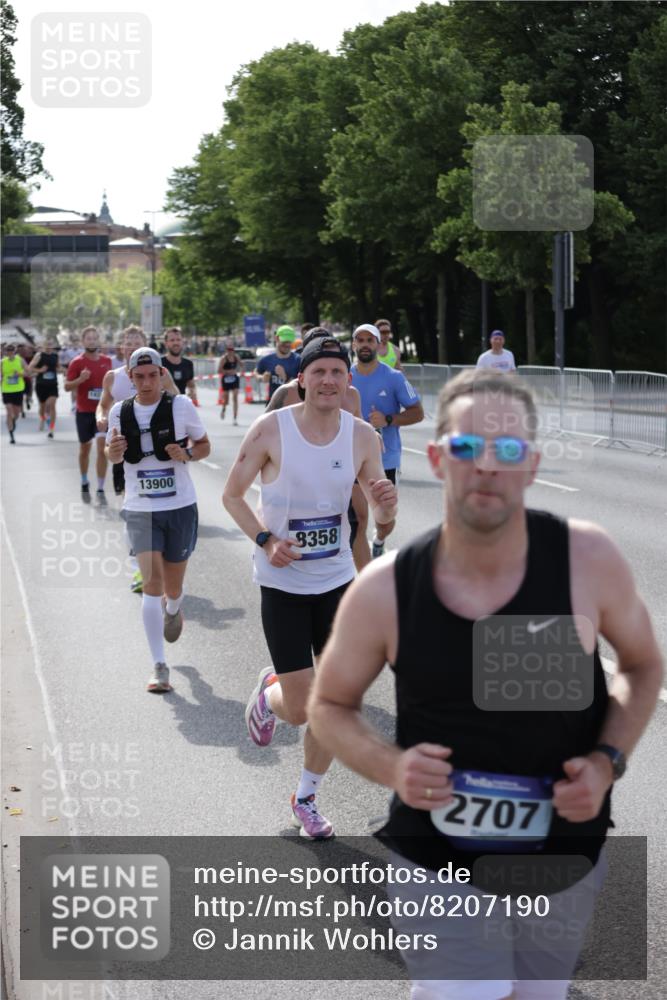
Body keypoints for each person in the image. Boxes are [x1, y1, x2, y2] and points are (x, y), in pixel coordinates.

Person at [310, 367, 664, 1000]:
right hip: (437, 855)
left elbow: (641, 666)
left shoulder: (587, 560)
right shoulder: (387, 589)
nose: (488, 468)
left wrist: (607, 762)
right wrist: (394, 768)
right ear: (440, 458)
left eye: (507, 452)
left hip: (563, 850)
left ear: (530, 465)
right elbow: (330, 705)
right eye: (469, 449)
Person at [223, 336, 397, 838]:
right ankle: (272, 690)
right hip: (282, 583)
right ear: (301, 379)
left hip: (338, 581)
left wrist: (387, 503)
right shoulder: (270, 430)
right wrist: (264, 538)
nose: (328, 380)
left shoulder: (363, 436)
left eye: (336, 373)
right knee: (301, 708)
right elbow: (232, 495)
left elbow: (379, 517)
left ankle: (305, 798)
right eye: (318, 371)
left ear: (347, 381)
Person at [106, 347, 211, 693]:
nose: (147, 382)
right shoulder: (120, 412)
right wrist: (114, 453)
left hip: (179, 505)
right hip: (140, 507)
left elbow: (205, 444)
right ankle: (159, 665)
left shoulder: (180, 407)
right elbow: (111, 451)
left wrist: (188, 453)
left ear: (162, 374)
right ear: (130, 376)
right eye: (139, 377)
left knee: (172, 587)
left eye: (153, 375)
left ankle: (174, 606)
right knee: (151, 585)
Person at [266, 328, 369, 573]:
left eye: (336, 366)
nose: (329, 377)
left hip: (344, 470)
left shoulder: (351, 394)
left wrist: (373, 436)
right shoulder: (288, 393)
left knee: (359, 523)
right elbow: (264, 437)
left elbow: (360, 426)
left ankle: (362, 589)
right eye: (320, 365)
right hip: (300, 477)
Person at [96, 326, 178, 594]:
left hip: (157, 454)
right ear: (122, 348)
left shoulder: (156, 373)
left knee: (159, 513)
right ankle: (140, 570)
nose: (133, 346)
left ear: (146, 345)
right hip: (126, 452)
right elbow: (104, 403)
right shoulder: (113, 376)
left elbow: (177, 399)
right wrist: (100, 416)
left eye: (137, 342)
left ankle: (159, 565)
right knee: (131, 512)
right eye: (129, 342)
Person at [351, 323, 424, 562]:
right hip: (350, 459)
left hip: (386, 459)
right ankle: (359, 575)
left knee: (384, 517)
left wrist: (389, 418)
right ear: (354, 345)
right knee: (357, 520)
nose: (364, 345)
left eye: (369, 341)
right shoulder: (344, 377)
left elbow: (418, 412)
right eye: (359, 341)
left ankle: (380, 539)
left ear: (378, 345)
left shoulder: (393, 377)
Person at [64, 327, 112, 505]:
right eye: (88, 339)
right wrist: (80, 379)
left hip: (102, 411)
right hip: (84, 411)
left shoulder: (107, 361)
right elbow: (67, 387)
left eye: (94, 338)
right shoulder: (77, 362)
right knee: (85, 449)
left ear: (98, 341)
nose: (92, 341)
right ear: (83, 342)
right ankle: (84, 480)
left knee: (101, 449)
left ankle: (100, 488)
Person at [255, 325, 300, 402]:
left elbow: (301, 386)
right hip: (272, 405)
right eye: (285, 341)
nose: (287, 344)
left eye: (289, 341)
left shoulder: (298, 360)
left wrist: (284, 378)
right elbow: (256, 372)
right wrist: (262, 378)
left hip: (291, 405)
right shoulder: (267, 360)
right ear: (276, 339)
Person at [28, 338, 62, 437]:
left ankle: (51, 428)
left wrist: (61, 370)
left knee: (52, 404)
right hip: (41, 385)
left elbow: (58, 367)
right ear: (43, 345)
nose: (48, 346)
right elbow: (30, 367)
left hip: (53, 384)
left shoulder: (55, 355)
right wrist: (40, 370)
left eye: (50, 344)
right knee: (42, 407)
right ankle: (42, 419)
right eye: (46, 344)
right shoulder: (39, 355)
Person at [161, 327, 198, 404]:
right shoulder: (159, 363)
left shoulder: (188, 364)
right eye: (172, 340)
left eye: (178, 340)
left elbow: (191, 384)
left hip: (181, 407)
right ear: (166, 343)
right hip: (162, 407)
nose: (176, 343)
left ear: (182, 342)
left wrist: (192, 392)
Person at [1, 343, 30, 444]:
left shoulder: (20, 360)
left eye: (11, 350)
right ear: (5, 351)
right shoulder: (2, 362)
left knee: (17, 414)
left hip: (18, 390)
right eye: (7, 350)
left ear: (14, 351)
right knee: (9, 412)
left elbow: (28, 372)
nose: (9, 352)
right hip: (6, 390)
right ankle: (11, 435)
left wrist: (20, 374)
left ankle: (13, 421)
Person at [217, 339, 242, 424]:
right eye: (229, 350)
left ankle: (235, 418)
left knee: (235, 397)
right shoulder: (224, 359)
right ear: (226, 350)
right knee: (226, 399)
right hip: (226, 379)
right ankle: (223, 409)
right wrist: (227, 372)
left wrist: (239, 371)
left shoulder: (236, 357)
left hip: (234, 378)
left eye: (232, 350)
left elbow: (242, 365)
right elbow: (219, 370)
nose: (231, 351)